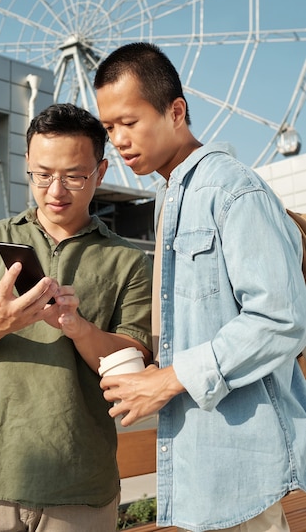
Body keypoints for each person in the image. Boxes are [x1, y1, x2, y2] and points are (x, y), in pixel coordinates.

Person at [94, 42, 306, 532]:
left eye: (130, 121)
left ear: (176, 111)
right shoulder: (169, 196)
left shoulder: (233, 190)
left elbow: (282, 320)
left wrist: (167, 380)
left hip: (244, 467)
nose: (119, 140)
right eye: (109, 128)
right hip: (200, 463)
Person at [0, 103, 152, 532]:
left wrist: (79, 328)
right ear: (27, 165)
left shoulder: (127, 260)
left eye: (73, 176)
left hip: (80, 482)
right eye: (42, 174)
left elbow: (135, 361)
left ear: (101, 172)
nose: (55, 190)